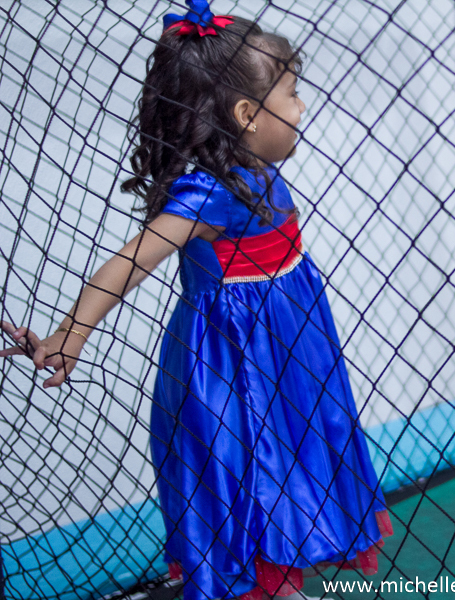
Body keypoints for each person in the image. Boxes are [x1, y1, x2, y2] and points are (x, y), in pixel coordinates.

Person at [0, 2, 391, 599]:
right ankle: (264, 585)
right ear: (247, 115)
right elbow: (131, 262)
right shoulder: (208, 193)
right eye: (291, 93)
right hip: (233, 367)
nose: (302, 106)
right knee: (248, 474)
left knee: (295, 463)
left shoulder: (255, 171)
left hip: (291, 357)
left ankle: (277, 582)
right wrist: (70, 334)